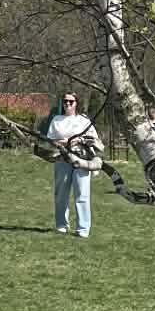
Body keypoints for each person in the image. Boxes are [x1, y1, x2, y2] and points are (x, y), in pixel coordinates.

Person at [47, 92, 102, 238]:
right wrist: (63, 143)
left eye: (71, 101)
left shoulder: (83, 120)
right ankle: (61, 225)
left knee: (82, 194)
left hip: (81, 160)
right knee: (61, 194)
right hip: (62, 160)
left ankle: (83, 229)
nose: (68, 104)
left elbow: (94, 139)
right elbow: (51, 140)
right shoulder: (56, 120)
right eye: (65, 101)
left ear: (76, 103)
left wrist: (79, 141)